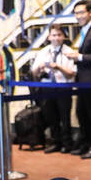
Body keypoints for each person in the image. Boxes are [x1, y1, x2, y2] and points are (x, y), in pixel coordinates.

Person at [66, 1, 91, 158]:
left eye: (82, 12)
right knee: (81, 113)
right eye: (76, 13)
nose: (79, 16)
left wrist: (79, 56)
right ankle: (87, 143)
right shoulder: (85, 31)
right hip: (82, 80)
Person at [31, 24, 76, 153]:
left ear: (64, 37)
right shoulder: (43, 52)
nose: (56, 38)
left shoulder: (69, 51)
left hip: (63, 87)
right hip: (47, 87)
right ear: (49, 37)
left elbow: (71, 73)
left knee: (65, 117)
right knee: (51, 116)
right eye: (53, 35)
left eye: (59, 35)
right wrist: (39, 68)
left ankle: (67, 143)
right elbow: (34, 73)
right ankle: (55, 142)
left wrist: (58, 66)